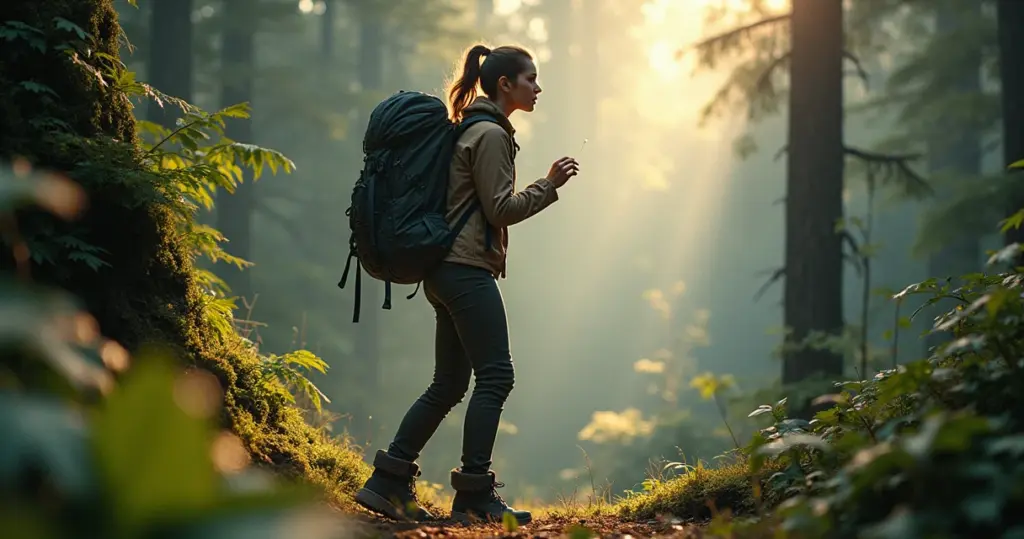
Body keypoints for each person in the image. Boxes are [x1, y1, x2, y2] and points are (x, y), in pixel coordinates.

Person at [353, 43, 580, 525]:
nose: (538, 88)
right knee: (497, 376)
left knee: (450, 383)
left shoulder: (472, 128)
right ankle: (475, 491)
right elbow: (501, 210)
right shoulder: (490, 134)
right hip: (464, 270)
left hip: (443, 269)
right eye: (530, 79)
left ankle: (388, 480)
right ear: (505, 85)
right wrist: (548, 185)